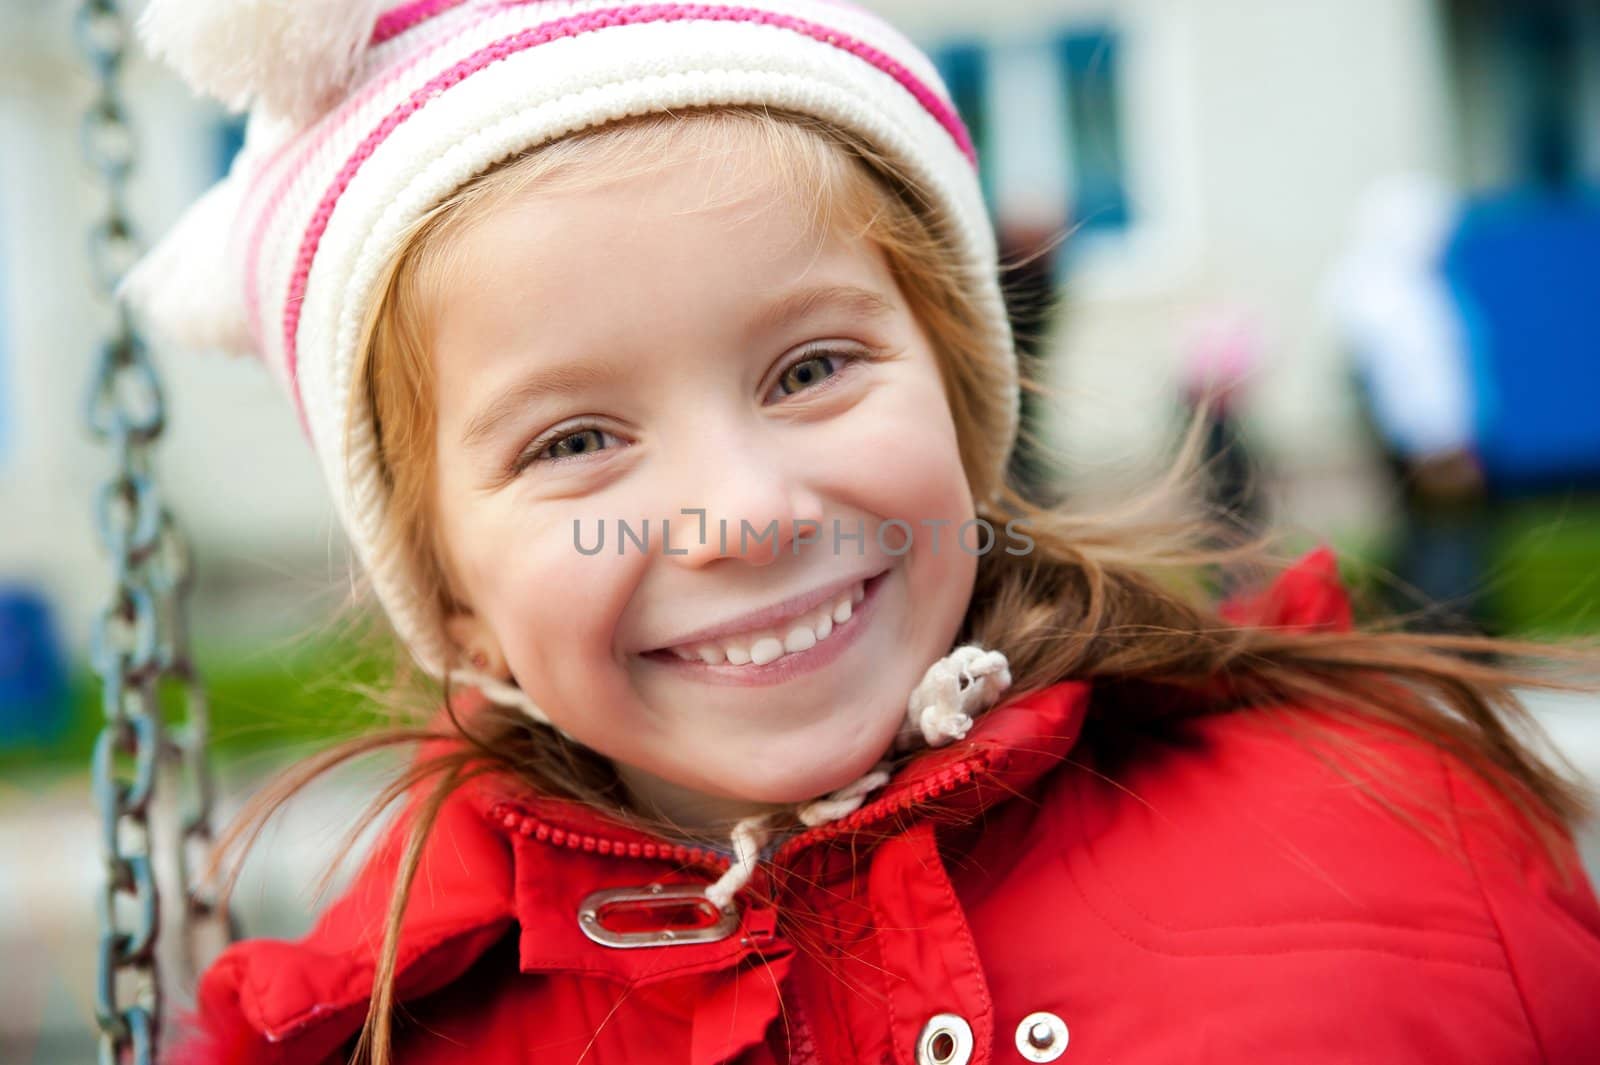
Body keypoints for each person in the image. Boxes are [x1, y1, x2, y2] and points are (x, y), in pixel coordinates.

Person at [124, 2, 1600, 1063]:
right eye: (576, 441)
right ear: (448, 592)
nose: (751, 514)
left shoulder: (1402, 838)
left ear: (963, 405)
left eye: (811, 369)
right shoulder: (380, 1035)